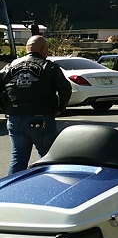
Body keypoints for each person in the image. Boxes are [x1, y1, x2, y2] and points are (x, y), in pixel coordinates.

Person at [0, 35, 71, 175]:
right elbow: (65, 88)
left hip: (14, 118)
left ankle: (12, 187)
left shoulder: (10, 66)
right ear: (43, 48)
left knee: (18, 158)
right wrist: (59, 108)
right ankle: (49, 185)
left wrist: (5, 107)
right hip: (40, 118)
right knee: (48, 157)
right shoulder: (49, 66)